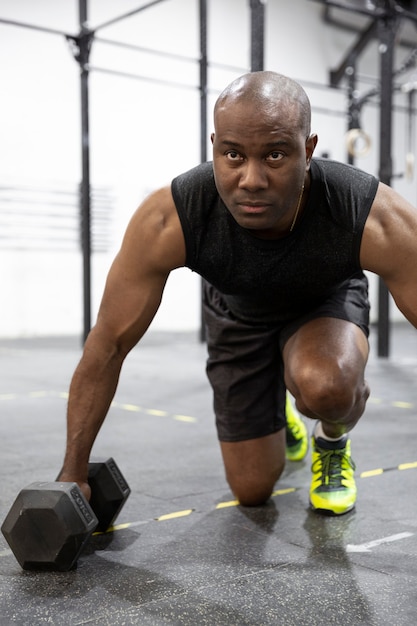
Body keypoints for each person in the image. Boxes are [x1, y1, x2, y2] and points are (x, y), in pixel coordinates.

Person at [58, 70, 417, 516]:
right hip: (236, 316)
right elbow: (107, 346)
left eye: (275, 155)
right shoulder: (173, 217)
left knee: (325, 387)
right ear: (214, 147)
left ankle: (331, 443)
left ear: (308, 151)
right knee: (251, 490)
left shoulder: (365, 212)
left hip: (323, 307)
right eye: (233, 155)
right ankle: (279, 408)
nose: (251, 179)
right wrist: (71, 473)